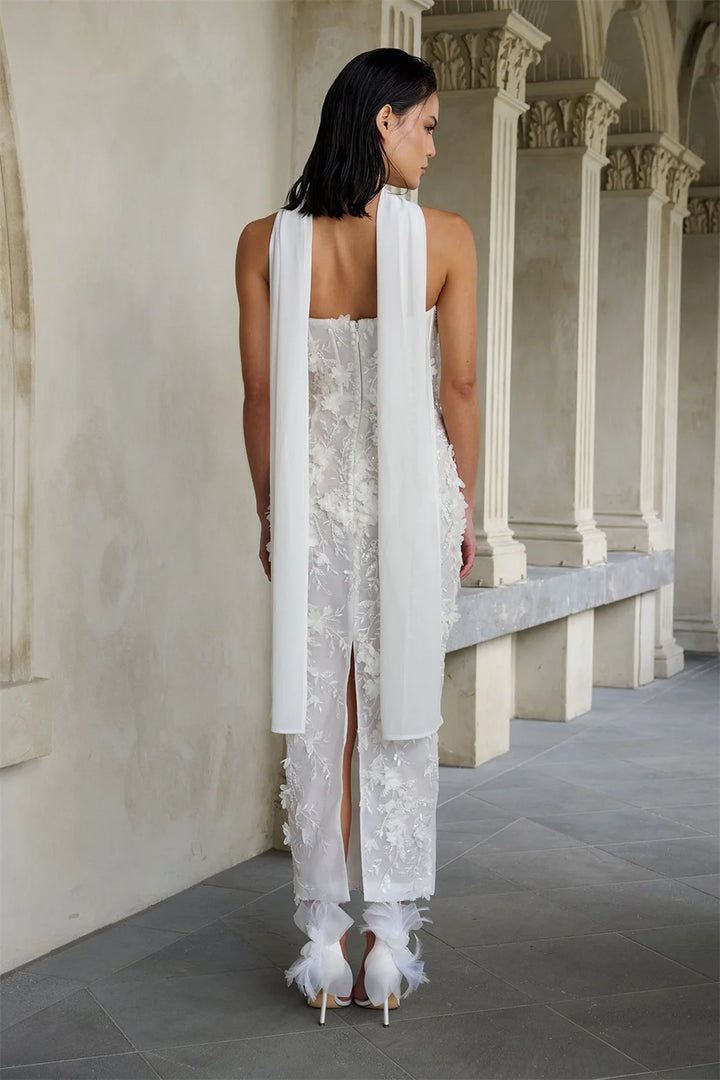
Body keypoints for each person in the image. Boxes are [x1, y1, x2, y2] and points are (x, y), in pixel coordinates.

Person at [235, 47, 479, 1026]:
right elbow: (455, 389)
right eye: (424, 125)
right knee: (400, 703)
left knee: (321, 714)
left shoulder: (264, 242)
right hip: (410, 504)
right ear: (383, 123)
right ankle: (390, 940)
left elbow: (260, 397)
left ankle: (322, 939)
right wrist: (468, 499)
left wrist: (268, 509)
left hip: (312, 509)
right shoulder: (448, 240)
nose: (431, 143)